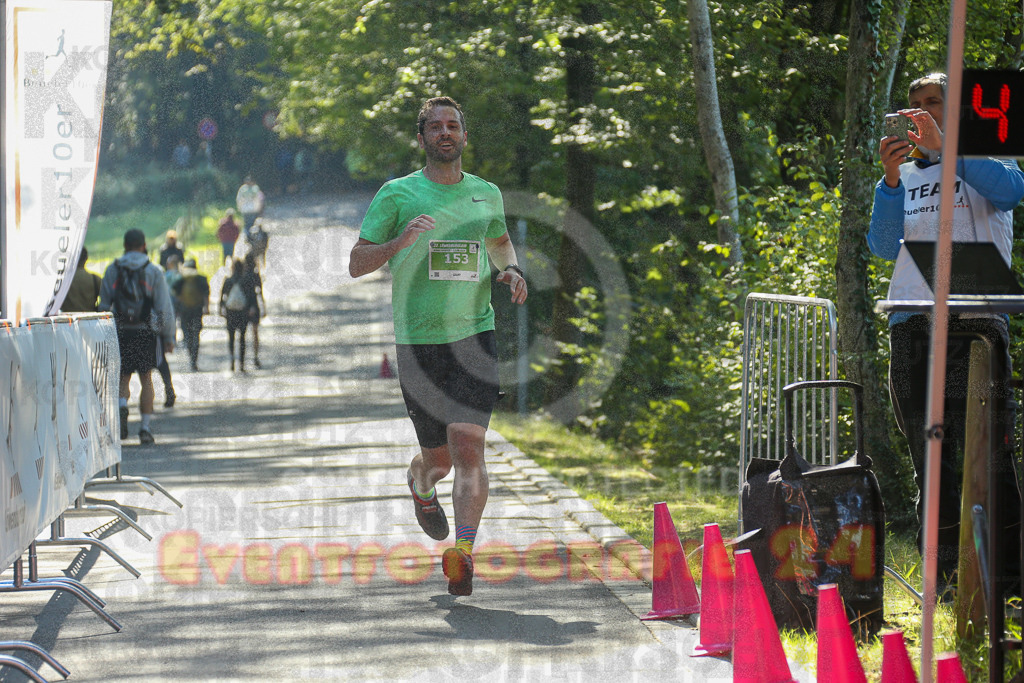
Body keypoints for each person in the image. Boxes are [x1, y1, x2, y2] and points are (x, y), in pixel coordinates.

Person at [348, 96, 528, 596]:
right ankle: (420, 483)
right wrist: (397, 244)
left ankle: (463, 553)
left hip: (475, 334)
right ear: (422, 136)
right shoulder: (398, 194)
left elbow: (498, 240)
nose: (445, 133)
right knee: (440, 459)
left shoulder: (485, 194)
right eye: (435, 126)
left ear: (465, 136)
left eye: (454, 125)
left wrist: (509, 269)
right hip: (418, 341)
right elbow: (357, 262)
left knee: (468, 444)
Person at [868, 72, 1024, 594]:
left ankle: (1006, 585)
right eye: (914, 106)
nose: (922, 113)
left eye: (934, 103)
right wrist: (890, 183)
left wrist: (949, 149)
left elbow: (1011, 193)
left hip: (976, 317)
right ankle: (948, 582)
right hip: (912, 317)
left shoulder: (989, 162)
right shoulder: (904, 177)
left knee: (990, 453)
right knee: (929, 457)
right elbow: (884, 246)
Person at [98, 228, 176, 445]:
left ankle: (123, 406)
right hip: (145, 331)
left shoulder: (113, 270)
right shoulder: (153, 270)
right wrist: (168, 335)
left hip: (120, 331)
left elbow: (104, 305)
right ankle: (145, 427)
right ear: (143, 245)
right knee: (146, 378)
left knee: (123, 376)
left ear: (125, 245)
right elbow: (164, 307)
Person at [219, 258, 259, 372]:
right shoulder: (247, 280)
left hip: (230, 312)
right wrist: (252, 308)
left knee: (231, 338)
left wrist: (221, 309)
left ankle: (232, 360)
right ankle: (241, 363)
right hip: (243, 312)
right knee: (242, 338)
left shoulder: (228, 280)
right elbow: (252, 296)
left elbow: (222, 297)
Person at [173, 258, 210, 371]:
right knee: (196, 334)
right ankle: (194, 359)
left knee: (187, 333)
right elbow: (206, 294)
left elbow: (175, 292)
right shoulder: (201, 278)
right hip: (197, 309)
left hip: (184, 310)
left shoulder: (181, 278)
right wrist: (206, 307)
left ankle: (190, 355)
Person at [242, 252, 266, 369]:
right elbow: (260, 293)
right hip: (254, 305)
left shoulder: (242, 274)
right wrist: (263, 307)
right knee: (255, 333)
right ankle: (255, 356)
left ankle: (242, 357)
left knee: (243, 333)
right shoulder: (256, 275)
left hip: (243, 306)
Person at [61, 247, 102, 312]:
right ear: (86, 258)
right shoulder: (95, 279)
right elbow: (107, 301)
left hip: (68, 320)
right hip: (91, 319)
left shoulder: (63, 280)